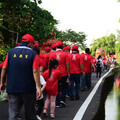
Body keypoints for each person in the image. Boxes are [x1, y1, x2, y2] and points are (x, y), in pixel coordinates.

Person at [0, 34, 41, 120]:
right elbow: (35, 71)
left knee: (13, 114)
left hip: (13, 87)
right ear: (30, 43)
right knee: (30, 114)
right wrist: (38, 88)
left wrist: (2, 82)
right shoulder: (33, 54)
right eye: (33, 44)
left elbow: (4, 67)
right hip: (28, 89)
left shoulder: (10, 52)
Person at [49, 41, 70, 107]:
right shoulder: (66, 54)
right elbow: (67, 64)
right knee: (64, 87)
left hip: (54, 73)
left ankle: (57, 103)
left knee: (57, 88)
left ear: (56, 46)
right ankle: (62, 100)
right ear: (62, 47)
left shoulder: (52, 54)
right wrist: (68, 72)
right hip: (63, 73)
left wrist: (50, 72)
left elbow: (50, 64)